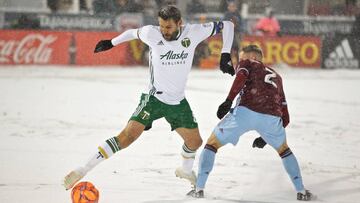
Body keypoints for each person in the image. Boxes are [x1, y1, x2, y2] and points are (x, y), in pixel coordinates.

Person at [63, 5, 235, 190]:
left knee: (195, 142)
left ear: (179, 23)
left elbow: (228, 25)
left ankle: (186, 171)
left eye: (168, 27)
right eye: (161, 26)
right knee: (127, 136)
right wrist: (111, 43)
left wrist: (225, 53)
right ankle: (82, 169)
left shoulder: (193, 32)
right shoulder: (151, 33)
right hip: (154, 99)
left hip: (178, 102)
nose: (164, 31)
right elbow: (131, 33)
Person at [187, 45, 315, 201]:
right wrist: (266, 138)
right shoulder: (277, 77)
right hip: (273, 118)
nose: (240, 61)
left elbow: (240, 77)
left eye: (242, 57)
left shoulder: (248, 63)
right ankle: (301, 191)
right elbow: (286, 116)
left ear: (253, 57)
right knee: (284, 150)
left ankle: (199, 189)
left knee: (212, 144)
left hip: (246, 111)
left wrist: (228, 101)